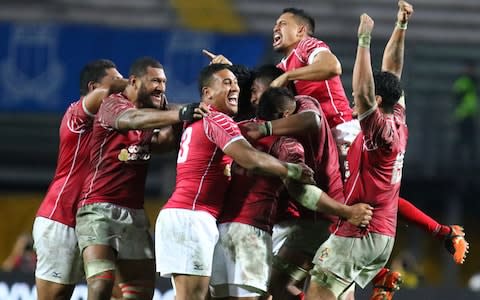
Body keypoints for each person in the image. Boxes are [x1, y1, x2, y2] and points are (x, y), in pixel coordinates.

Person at [154, 63, 315, 300]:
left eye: (236, 84)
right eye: (227, 83)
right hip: (191, 216)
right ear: (207, 93)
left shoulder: (195, 120)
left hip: (186, 215)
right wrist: (291, 170)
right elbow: (250, 158)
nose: (236, 89)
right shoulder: (218, 120)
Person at [210, 87, 372, 299]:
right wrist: (347, 211)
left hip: (219, 229)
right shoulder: (288, 145)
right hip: (260, 230)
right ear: (286, 113)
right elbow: (301, 191)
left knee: (274, 287)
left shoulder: (236, 129)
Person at [75, 57, 206, 300]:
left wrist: (183, 118)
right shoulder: (112, 105)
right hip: (98, 209)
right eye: (155, 80)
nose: (162, 87)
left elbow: (164, 143)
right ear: (133, 82)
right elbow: (131, 120)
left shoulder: (153, 112)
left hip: (134, 213)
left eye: (164, 82)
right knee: (101, 284)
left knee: (142, 290)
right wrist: (179, 115)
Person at [304, 13, 408, 300]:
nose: (353, 98)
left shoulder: (380, 133)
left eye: (357, 96)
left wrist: (363, 40)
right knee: (341, 292)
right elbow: (393, 71)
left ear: (376, 102)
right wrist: (401, 26)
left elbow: (363, 92)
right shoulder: (398, 118)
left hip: (360, 230)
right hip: (382, 233)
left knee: (317, 293)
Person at [32, 59, 123, 300]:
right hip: (61, 218)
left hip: (97, 222)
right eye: (116, 80)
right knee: (57, 295)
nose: (123, 86)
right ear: (94, 88)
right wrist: (139, 84)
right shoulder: (77, 115)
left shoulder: (115, 123)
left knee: (120, 291)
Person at [271, 7, 357, 145]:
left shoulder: (306, 45)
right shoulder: (279, 69)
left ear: (300, 30)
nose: (275, 28)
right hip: (317, 139)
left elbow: (332, 67)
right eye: (275, 24)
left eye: (282, 23)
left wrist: (288, 76)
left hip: (340, 130)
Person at [452, 59, 478, 170]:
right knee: (462, 138)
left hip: (472, 115)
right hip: (463, 115)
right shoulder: (463, 81)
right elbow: (457, 96)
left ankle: (471, 160)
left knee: (471, 139)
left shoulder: (475, 81)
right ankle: (458, 159)